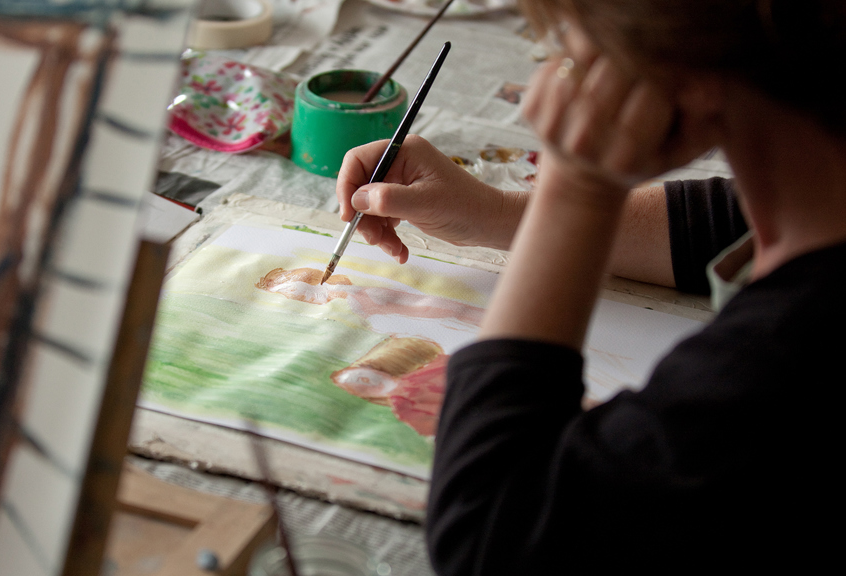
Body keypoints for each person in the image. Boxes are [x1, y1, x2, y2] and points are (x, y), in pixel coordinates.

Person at [335, 0, 844, 572]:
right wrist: (500, 215)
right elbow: (726, 220)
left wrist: (575, 190)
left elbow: (491, 535)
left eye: (570, 44)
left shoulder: (790, 358)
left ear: (683, 69)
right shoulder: (820, 182)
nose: (554, 64)